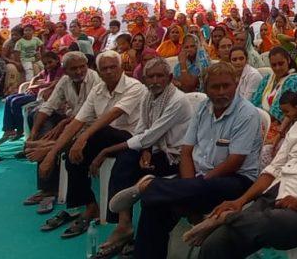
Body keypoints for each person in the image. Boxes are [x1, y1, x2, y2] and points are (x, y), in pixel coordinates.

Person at [186, 77, 297, 259]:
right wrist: (241, 201)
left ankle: (226, 219)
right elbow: (272, 171)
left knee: (276, 222)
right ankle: (232, 220)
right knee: (215, 244)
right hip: (274, 196)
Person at [108, 61, 261, 259]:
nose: (222, 91)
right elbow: (186, 151)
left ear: (236, 84)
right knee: (154, 205)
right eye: (215, 87)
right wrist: (189, 185)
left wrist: (197, 183)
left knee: (167, 193)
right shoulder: (202, 108)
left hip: (235, 179)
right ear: (206, 89)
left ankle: (149, 186)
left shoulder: (246, 114)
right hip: (199, 178)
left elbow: (235, 161)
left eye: (227, 86)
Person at [88, 58, 194, 258]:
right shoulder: (148, 96)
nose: (155, 80)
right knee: (126, 158)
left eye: (160, 76)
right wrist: (145, 150)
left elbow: (151, 134)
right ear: (144, 79)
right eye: (151, 76)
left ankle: (140, 190)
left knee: (126, 157)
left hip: (174, 157)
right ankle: (124, 224)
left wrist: (105, 151)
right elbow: (141, 130)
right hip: (155, 150)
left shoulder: (178, 100)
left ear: (169, 78)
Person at [37, 51, 146, 238]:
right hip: (103, 137)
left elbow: (111, 115)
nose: (109, 71)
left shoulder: (134, 87)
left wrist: (81, 138)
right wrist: (51, 155)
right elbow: (77, 122)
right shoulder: (99, 90)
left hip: (132, 139)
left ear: (121, 69)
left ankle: (121, 223)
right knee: (73, 158)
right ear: (98, 71)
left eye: (113, 67)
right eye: (105, 68)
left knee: (98, 139)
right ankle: (90, 205)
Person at [22, 51, 100, 213]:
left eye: (82, 67)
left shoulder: (95, 80)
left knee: (61, 129)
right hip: (72, 120)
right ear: (65, 70)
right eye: (74, 69)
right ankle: (47, 179)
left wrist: (65, 122)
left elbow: (88, 113)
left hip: (89, 124)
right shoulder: (65, 81)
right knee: (38, 117)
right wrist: (33, 133)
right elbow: (48, 106)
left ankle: (47, 155)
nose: (79, 71)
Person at [0, 50, 63, 143]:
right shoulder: (46, 70)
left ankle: (20, 129)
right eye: (45, 64)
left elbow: (54, 83)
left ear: (57, 60)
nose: (48, 65)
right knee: (9, 98)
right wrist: (31, 85)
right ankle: (8, 129)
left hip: (40, 95)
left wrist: (37, 86)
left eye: (50, 62)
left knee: (15, 102)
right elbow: (35, 77)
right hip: (34, 91)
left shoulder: (60, 70)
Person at [252, 46, 297, 147]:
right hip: (258, 120)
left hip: (278, 126)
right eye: (274, 65)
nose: (277, 68)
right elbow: (254, 101)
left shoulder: (293, 80)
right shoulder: (268, 78)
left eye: (281, 64)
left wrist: (260, 118)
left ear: (288, 61)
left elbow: (278, 113)